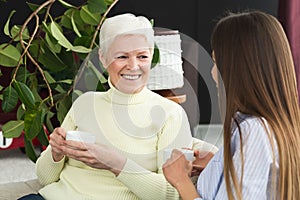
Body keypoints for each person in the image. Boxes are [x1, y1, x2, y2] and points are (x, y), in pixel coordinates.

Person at [18, 13, 217, 200]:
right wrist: (56, 152)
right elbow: (45, 179)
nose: (133, 66)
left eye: (142, 56)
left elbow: (171, 193)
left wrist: (116, 164)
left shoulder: (170, 114)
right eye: (122, 56)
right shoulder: (85, 103)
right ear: (103, 59)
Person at [163, 10, 300, 200]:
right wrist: (218, 165)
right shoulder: (270, 127)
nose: (212, 73)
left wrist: (180, 181)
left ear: (237, 71)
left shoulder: (254, 130)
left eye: (216, 62)